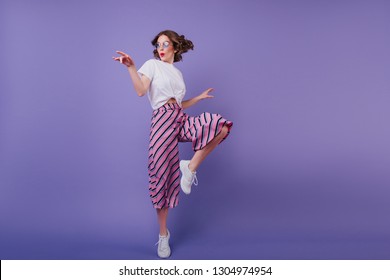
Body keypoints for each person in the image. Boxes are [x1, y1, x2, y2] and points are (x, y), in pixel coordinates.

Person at [113, 30, 233, 258]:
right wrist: (130, 67)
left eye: (165, 43)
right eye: (158, 44)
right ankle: (163, 236)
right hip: (161, 122)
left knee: (221, 126)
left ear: (175, 48)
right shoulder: (151, 65)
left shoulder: (177, 73)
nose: (161, 47)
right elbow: (141, 91)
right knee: (162, 178)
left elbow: (177, 103)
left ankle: (189, 166)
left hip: (179, 118)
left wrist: (196, 99)